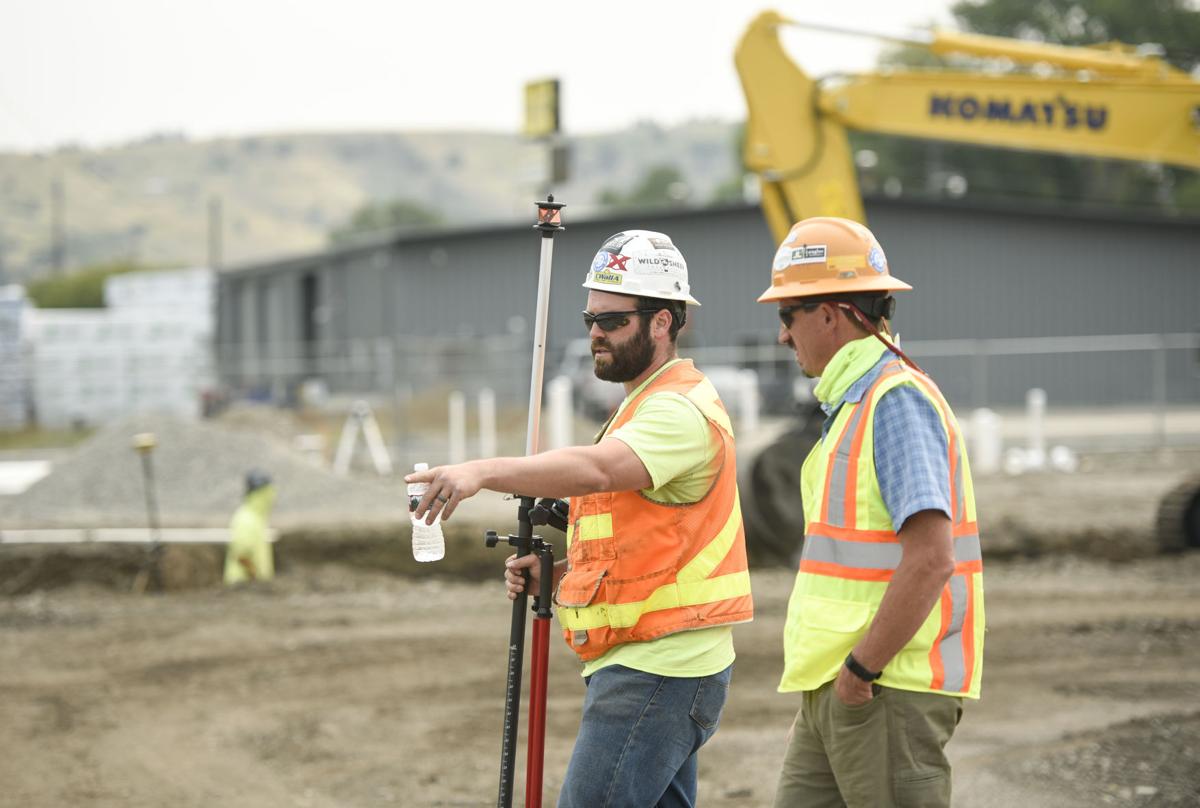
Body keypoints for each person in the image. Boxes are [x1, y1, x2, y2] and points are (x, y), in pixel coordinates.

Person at [407, 230, 753, 808]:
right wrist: (564, 573)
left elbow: (596, 472)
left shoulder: (677, 411)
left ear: (662, 322)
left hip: (658, 667)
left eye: (613, 319)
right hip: (654, 659)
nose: (595, 331)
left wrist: (482, 472)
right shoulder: (642, 403)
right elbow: (647, 532)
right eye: (590, 316)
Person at [758, 217, 985, 808]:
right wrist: (824, 697)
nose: (783, 335)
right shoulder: (857, 403)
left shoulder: (895, 401)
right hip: (842, 690)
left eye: (788, 315)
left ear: (831, 314)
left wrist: (861, 672)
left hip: (884, 687)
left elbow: (933, 558)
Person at [224, 469, 277, 585]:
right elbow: (240, 553)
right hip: (242, 585)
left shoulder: (257, 518)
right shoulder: (246, 518)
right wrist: (256, 576)